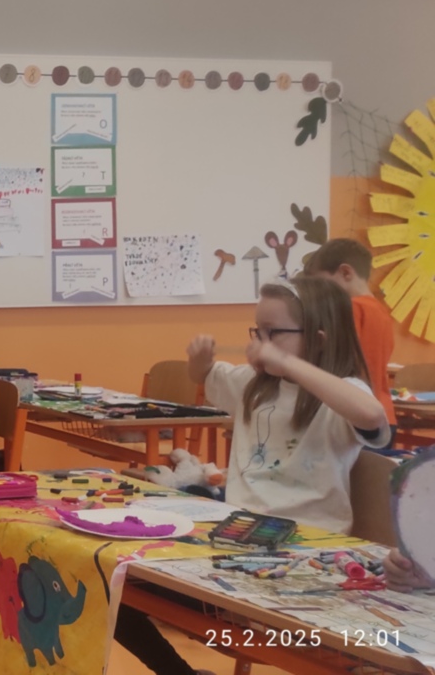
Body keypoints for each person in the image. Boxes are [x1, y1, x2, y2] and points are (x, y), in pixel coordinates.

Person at [114, 276, 392, 675]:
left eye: (273, 333)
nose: (260, 343)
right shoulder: (254, 386)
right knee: (112, 577)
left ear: (319, 339)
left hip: (305, 561)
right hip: (238, 545)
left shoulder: (340, 392)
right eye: (256, 332)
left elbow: (372, 415)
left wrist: (290, 364)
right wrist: (200, 358)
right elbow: (203, 375)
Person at [304, 238, 398, 431]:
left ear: (346, 273)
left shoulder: (350, 308)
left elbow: (335, 362)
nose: (319, 293)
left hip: (353, 415)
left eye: (320, 284)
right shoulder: (381, 311)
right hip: (384, 415)